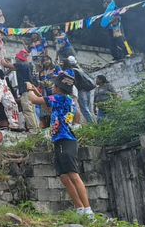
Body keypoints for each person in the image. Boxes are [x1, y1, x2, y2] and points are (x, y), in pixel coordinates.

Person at [25, 74, 94, 218]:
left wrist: (29, 89)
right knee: (64, 176)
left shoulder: (58, 98)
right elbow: (49, 108)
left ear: (57, 88)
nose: (53, 89)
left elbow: (33, 100)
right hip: (60, 141)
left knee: (73, 175)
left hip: (65, 140)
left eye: (54, 86)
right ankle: (79, 209)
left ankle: (88, 210)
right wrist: (38, 93)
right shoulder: (66, 99)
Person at [3, 50, 39, 131]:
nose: (16, 59)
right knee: (32, 110)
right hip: (31, 89)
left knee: (27, 110)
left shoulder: (20, 64)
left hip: (26, 90)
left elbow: (5, 64)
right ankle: (36, 128)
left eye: (16, 58)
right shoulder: (29, 65)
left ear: (19, 58)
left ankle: (33, 130)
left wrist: (1, 56)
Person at [64, 56, 96, 124]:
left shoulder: (72, 71)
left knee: (84, 108)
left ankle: (92, 124)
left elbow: (73, 81)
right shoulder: (79, 69)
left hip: (81, 90)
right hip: (87, 89)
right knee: (88, 108)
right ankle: (93, 122)